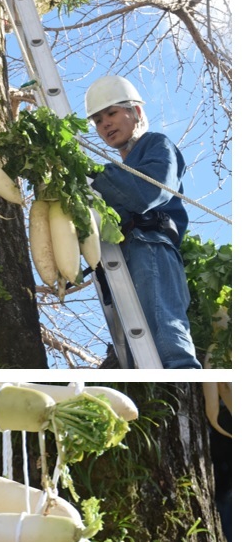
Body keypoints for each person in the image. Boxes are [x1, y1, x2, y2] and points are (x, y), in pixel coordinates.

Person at [85, 75, 202, 369]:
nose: (105, 124)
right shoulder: (119, 171)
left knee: (168, 342)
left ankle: (183, 385)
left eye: (111, 113)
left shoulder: (156, 145)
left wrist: (93, 174)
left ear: (135, 112)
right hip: (121, 259)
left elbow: (149, 191)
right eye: (98, 121)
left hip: (149, 247)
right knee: (138, 357)